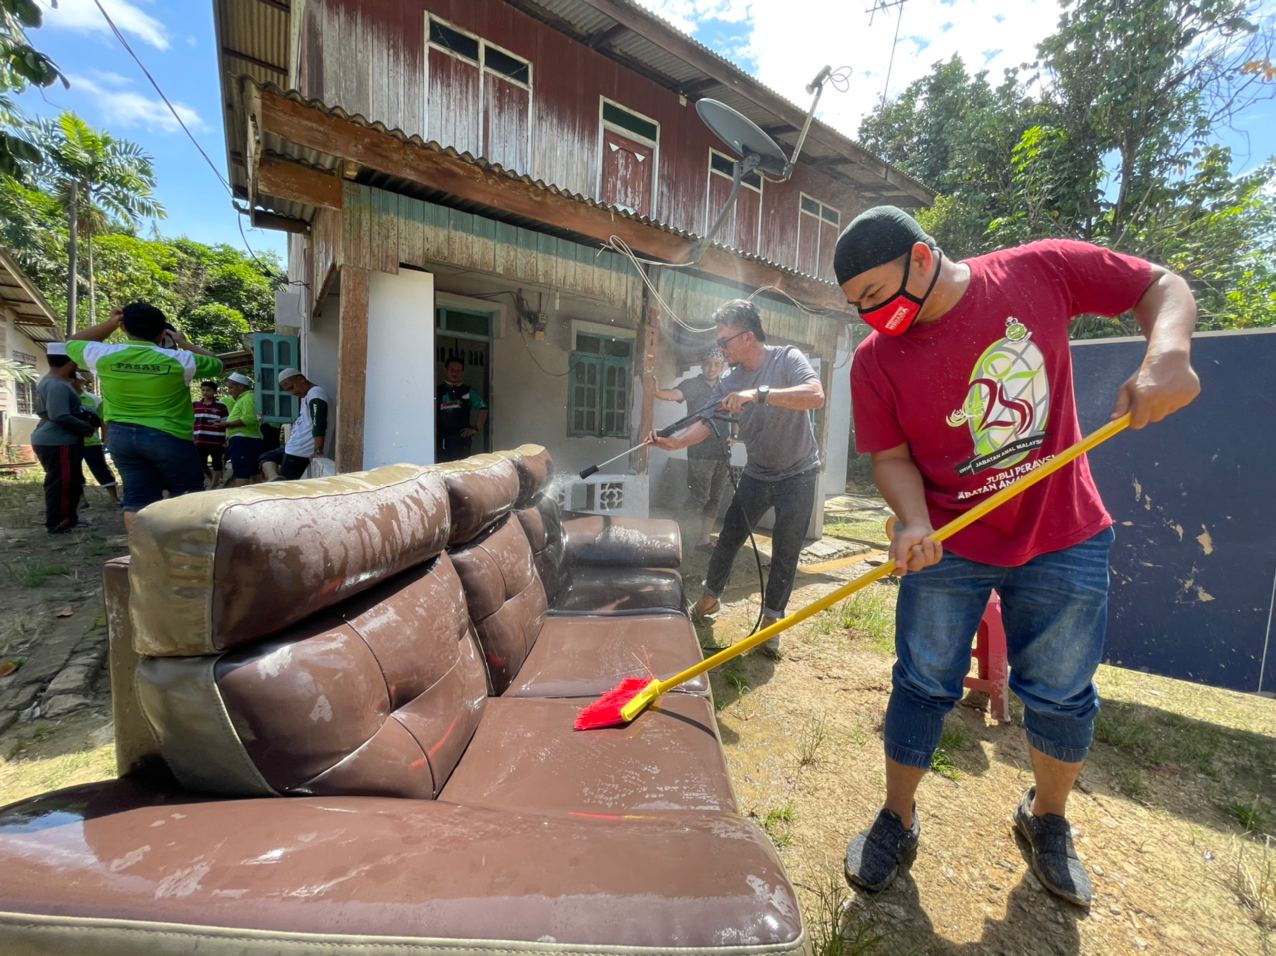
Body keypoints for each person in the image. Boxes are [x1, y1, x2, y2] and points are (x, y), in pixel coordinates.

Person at [834, 206, 1199, 907]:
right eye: (857, 307)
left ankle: (1047, 819)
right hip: (950, 542)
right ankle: (897, 819)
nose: (871, 317)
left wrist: (1167, 354)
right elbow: (891, 457)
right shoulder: (875, 360)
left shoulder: (1039, 270)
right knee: (921, 683)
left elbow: (1160, 284)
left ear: (920, 258)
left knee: (1061, 693)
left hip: (1063, 533)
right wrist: (914, 521)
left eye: (875, 296)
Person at [649, 299, 825, 658]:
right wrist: (677, 442)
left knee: (786, 549)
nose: (721, 348)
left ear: (747, 336)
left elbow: (815, 396)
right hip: (758, 473)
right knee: (728, 537)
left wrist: (758, 394)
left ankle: (772, 621)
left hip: (799, 473)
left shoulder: (787, 358)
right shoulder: (728, 381)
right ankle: (710, 597)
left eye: (724, 341)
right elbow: (707, 421)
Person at [67, 303, 224, 529]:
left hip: (122, 437)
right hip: (169, 437)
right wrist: (182, 342)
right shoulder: (180, 360)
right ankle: (185, 548)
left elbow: (71, 343)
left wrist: (111, 323)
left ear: (124, 328)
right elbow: (217, 364)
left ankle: (141, 548)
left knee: (137, 500)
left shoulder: (103, 355)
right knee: (187, 497)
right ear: (162, 333)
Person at [646, 349, 732, 550]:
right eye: (708, 363)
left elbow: (734, 413)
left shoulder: (727, 387)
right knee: (698, 498)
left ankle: (704, 540)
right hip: (699, 451)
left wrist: (735, 436)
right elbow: (675, 394)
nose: (711, 368)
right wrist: (657, 392)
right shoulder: (693, 384)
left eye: (716, 365)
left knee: (715, 499)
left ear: (722, 367)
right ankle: (676, 537)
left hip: (721, 451)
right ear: (702, 365)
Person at [31, 344, 98, 533]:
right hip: (59, 440)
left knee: (70, 481)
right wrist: (86, 427)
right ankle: (59, 523)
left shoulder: (50, 381)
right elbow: (59, 415)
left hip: (56, 438)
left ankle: (69, 519)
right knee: (62, 483)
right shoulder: (57, 385)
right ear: (70, 363)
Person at [258, 367, 329, 481]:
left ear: (301, 379)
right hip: (294, 448)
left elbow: (319, 423)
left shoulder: (315, 393)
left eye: (292, 387)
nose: (293, 392)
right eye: (289, 390)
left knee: (286, 485)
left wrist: (318, 450)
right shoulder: (308, 395)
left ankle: (276, 481)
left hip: (300, 452)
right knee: (266, 457)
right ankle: (274, 478)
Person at [73, 371, 119, 505]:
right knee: (74, 471)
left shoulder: (94, 400)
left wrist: (105, 439)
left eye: (76, 380)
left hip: (92, 442)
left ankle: (114, 497)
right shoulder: (64, 398)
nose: (73, 383)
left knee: (101, 469)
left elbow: (103, 421)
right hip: (71, 441)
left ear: (81, 382)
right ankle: (81, 500)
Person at [436, 358, 487, 462]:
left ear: (462, 372)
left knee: (461, 469)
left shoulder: (468, 391)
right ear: (446, 370)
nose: (455, 373)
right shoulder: (437, 391)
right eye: (452, 370)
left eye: (458, 371)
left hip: (461, 441)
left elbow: (483, 408)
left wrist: (476, 428)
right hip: (441, 440)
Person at [221, 372, 263, 487]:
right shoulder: (244, 398)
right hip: (246, 439)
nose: (229, 391)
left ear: (240, 386)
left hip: (244, 440)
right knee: (253, 471)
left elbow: (250, 419)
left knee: (242, 471)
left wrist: (227, 424)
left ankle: (242, 496)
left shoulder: (248, 397)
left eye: (231, 387)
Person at [193, 380, 229, 488]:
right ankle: (212, 479)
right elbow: (190, 421)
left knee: (217, 463)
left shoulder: (221, 406)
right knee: (201, 464)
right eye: (203, 390)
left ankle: (213, 485)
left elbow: (226, 422)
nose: (205, 392)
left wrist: (227, 438)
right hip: (199, 440)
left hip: (216, 440)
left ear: (214, 392)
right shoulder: (195, 405)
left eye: (208, 390)